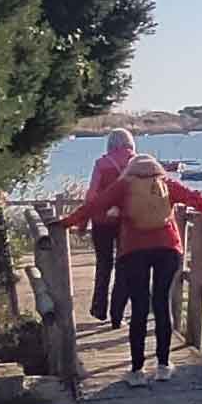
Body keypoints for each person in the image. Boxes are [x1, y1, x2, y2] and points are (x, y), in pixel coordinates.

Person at [58, 155, 202, 375]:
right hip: (168, 249)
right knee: (162, 304)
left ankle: (137, 370)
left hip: (134, 249)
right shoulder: (166, 183)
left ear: (131, 169)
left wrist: (67, 223)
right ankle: (164, 366)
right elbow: (195, 197)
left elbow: (94, 205)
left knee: (139, 307)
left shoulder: (124, 185)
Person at [80, 129, 137, 322]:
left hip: (101, 220)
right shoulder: (137, 163)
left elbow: (92, 195)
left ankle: (99, 308)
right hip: (127, 221)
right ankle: (118, 312)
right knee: (125, 265)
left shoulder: (102, 164)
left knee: (103, 264)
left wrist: (82, 222)